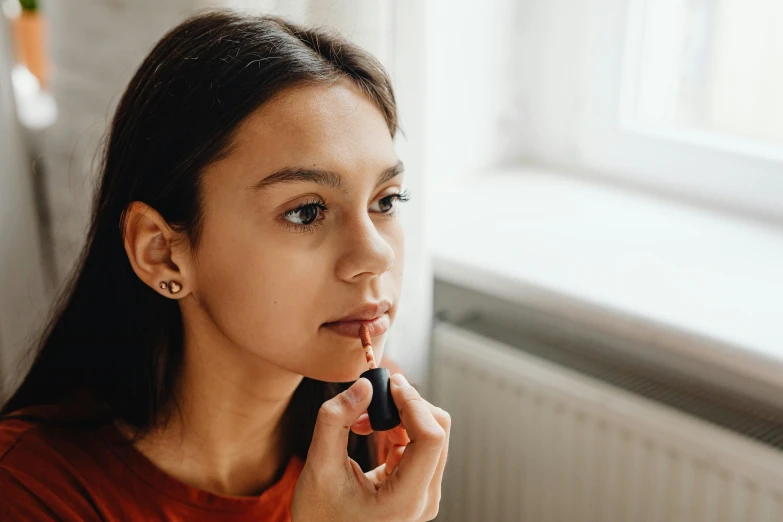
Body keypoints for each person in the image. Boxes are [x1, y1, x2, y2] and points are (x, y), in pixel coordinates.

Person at [0, 11, 450, 521]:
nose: (377, 255)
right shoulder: (28, 492)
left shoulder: (376, 421)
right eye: (306, 211)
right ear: (162, 252)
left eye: (386, 201)